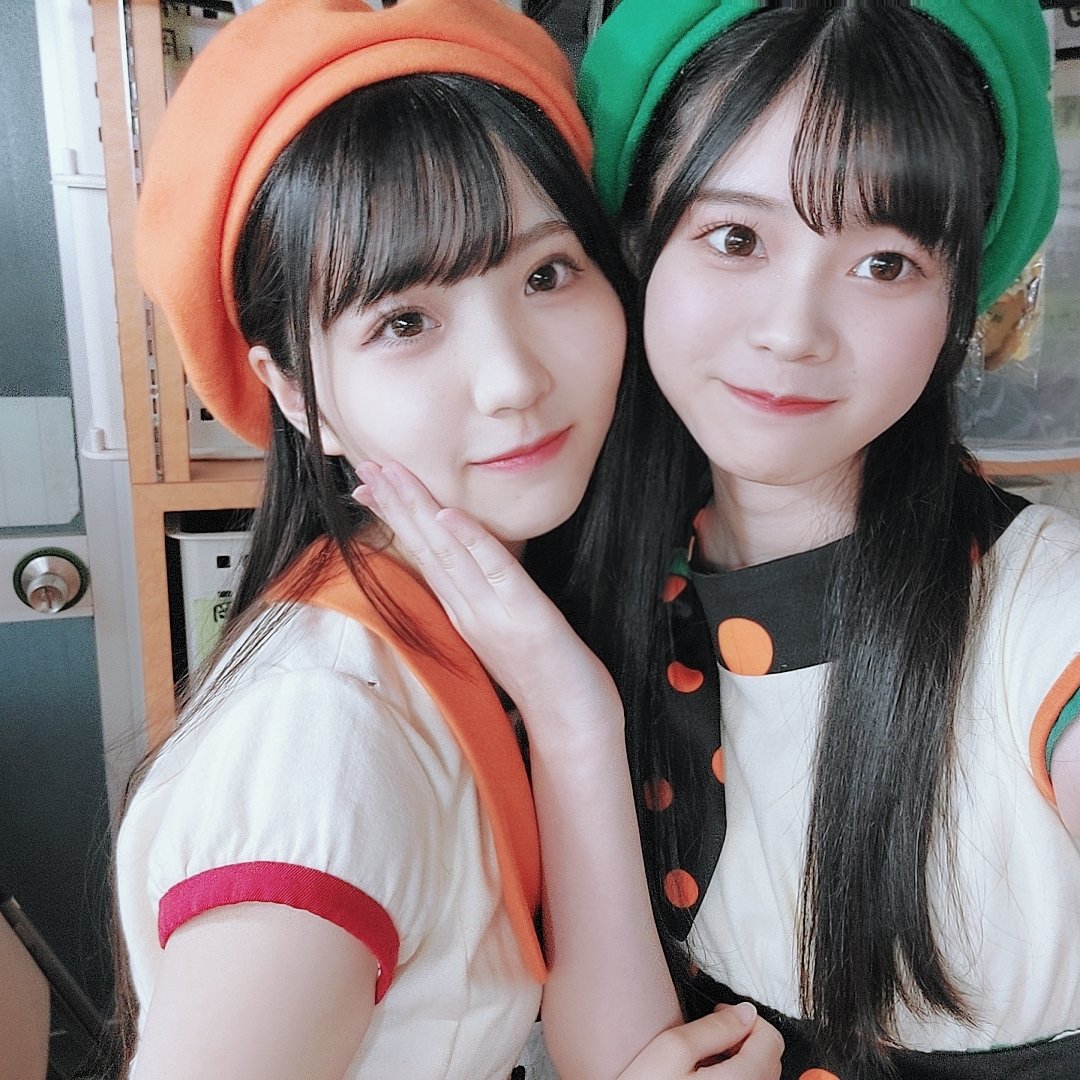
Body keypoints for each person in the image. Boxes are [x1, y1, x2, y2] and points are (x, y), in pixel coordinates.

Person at [113, 1, 783, 1078]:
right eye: (405, 322)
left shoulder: (476, 633)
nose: (514, 378)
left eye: (546, 274)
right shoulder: (323, 735)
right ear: (296, 391)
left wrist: (573, 720)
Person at [561, 1, 1080, 1076]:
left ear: (961, 300)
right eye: (736, 238)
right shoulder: (601, 587)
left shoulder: (1046, 620)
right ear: (641, 244)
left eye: (885, 263)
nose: (792, 331)